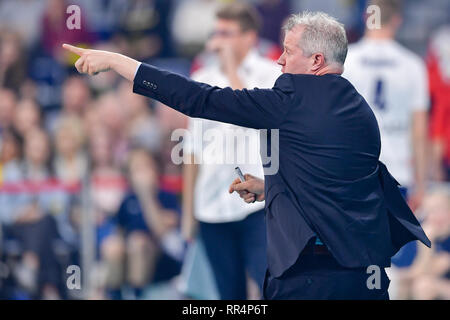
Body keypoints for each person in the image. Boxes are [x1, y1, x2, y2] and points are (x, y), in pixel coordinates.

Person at [62, 10, 431, 300]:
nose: (280, 62)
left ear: (316, 60)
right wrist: (272, 186)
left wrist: (117, 61)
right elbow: (332, 182)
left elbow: (198, 98)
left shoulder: (290, 101)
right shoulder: (359, 108)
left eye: (288, 52)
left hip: (310, 279)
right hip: (366, 278)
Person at [182, 3, 280, 300]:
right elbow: (193, 150)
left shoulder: (269, 74)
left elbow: (254, 118)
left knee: (269, 285)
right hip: (212, 204)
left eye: (227, 32)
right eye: (216, 32)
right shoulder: (202, 79)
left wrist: (231, 69)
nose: (219, 39)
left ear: (249, 37)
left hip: (258, 204)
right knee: (229, 294)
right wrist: (189, 213)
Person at [343, 0, 429, 212]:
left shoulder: (346, 60)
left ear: (366, 18)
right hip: (397, 172)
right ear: (397, 20)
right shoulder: (412, 65)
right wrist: (421, 183)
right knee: (394, 243)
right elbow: (419, 132)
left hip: (354, 172)